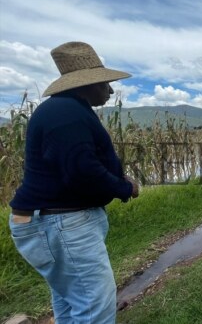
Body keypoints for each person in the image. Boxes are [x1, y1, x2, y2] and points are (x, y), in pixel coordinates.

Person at [8, 41, 139, 323]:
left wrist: (117, 177)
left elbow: (73, 164)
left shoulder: (64, 110)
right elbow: (82, 172)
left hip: (51, 221)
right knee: (96, 307)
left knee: (70, 301)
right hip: (61, 224)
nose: (111, 90)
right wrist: (125, 188)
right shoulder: (66, 113)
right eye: (105, 84)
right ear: (86, 85)